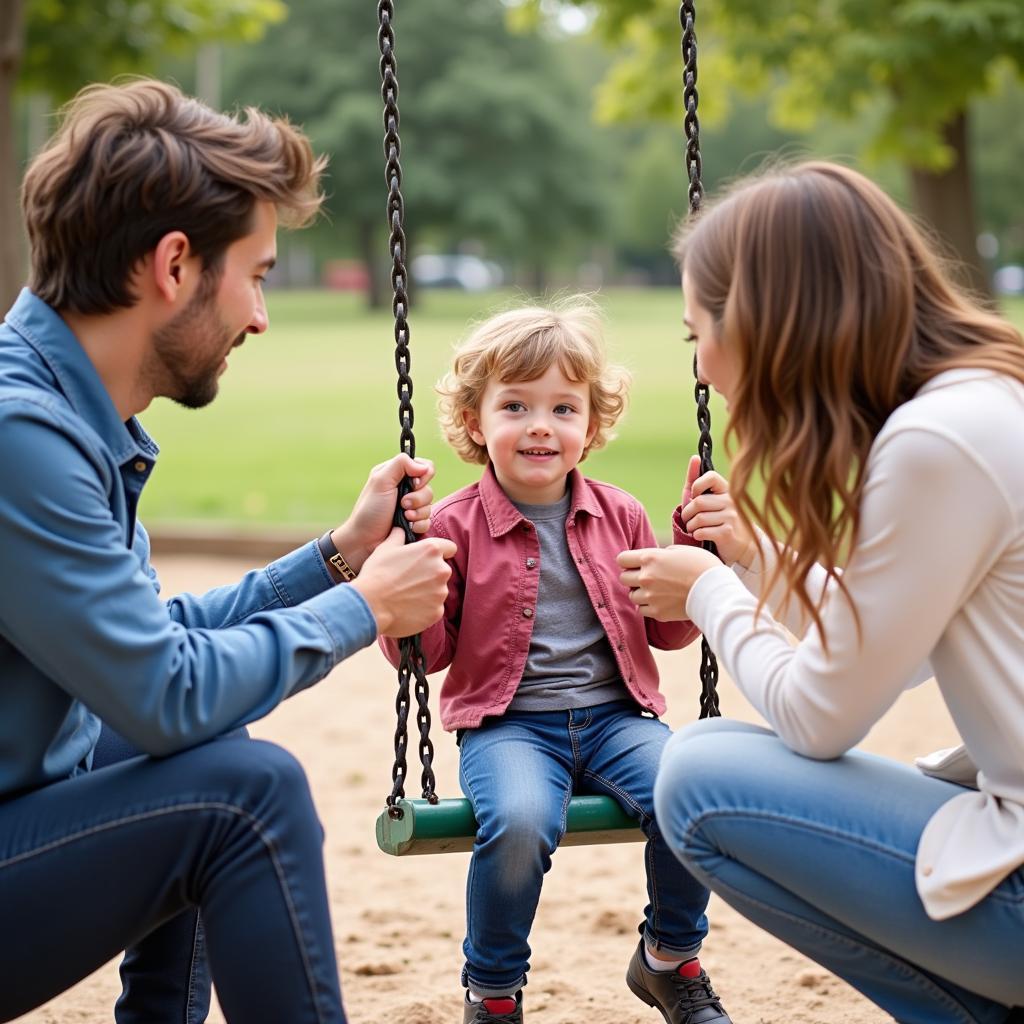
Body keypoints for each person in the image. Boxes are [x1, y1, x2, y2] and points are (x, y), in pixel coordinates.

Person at [0, 79, 456, 1024]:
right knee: (249, 796)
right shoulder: (21, 438)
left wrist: (334, 557)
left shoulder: (60, 412)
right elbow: (168, 692)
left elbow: (147, 650)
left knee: (216, 741)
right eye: (257, 272)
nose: (259, 315)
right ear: (174, 264)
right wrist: (365, 610)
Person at [616, 160, 1024, 1023]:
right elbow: (890, 646)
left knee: (698, 774)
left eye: (698, 336)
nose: (701, 372)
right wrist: (759, 560)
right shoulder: (982, 404)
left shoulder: (937, 442)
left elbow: (821, 716)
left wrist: (709, 594)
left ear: (767, 325)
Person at [380, 299, 733, 1024]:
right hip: (509, 727)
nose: (541, 425)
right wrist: (402, 592)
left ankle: (670, 958)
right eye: (515, 405)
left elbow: (667, 634)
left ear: (590, 427)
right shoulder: (449, 527)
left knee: (689, 792)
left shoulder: (622, 514)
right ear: (477, 424)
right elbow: (431, 653)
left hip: (615, 719)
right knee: (515, 820)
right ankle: (495, 992)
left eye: (564, 408)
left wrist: (694, 552)